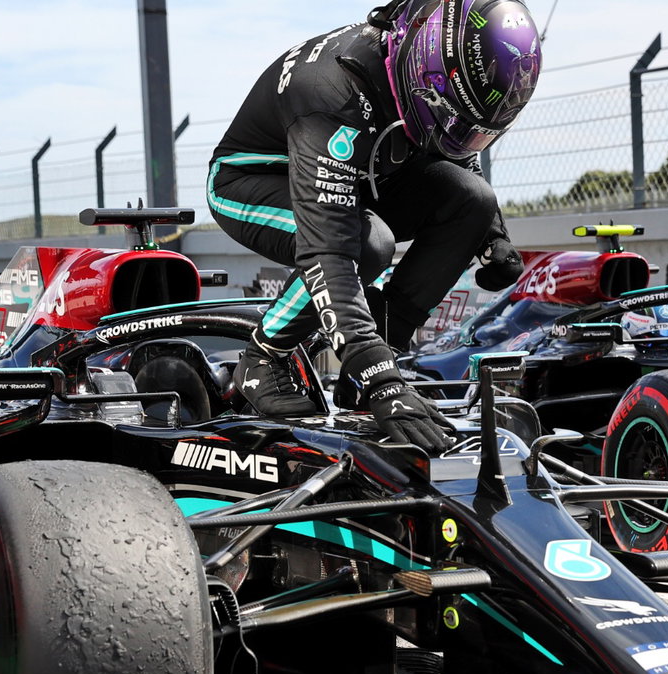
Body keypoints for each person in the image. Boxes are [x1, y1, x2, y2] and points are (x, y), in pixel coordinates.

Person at [207, 0, 542, 451]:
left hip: (360, 172)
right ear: (427, 77)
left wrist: (493, 233)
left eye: (477, 132)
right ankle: (264, 356)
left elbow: (455, 149)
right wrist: (381, 379)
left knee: (473, 201)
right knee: (367, 244)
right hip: (250, 180)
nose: (463, 140)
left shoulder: (423, 64)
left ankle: (380, 348)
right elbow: (330, 251)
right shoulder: (330, 93)